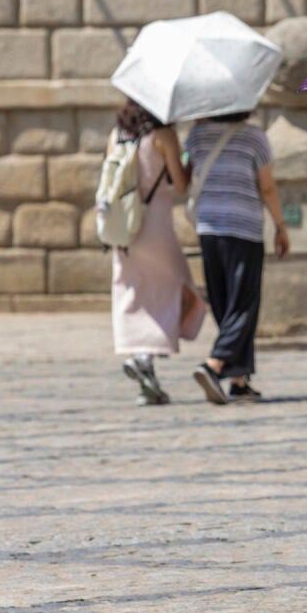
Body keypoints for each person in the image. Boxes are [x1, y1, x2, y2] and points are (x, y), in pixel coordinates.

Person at [185, 110, 290, 405]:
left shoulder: (196, 136)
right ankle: (215, 363)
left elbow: (184, 179)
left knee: (223, 303)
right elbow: (266, 186)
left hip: (208, 228)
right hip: (243, 229)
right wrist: (280, 225)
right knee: (243, 304)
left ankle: (239, 380)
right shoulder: (254, 136)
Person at [108, 99, 205, 406]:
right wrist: (189, 161)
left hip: (122, 226)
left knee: (131, 290)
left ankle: (142, 358)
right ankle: (147, 353)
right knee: (179, 286)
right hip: (155, 225)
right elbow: (181, 185)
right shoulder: (164, 136)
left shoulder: (117, 134)